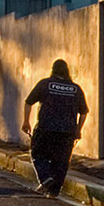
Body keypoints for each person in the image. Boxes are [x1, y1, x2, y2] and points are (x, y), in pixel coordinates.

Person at [22, 58, 88, 197]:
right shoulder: (76, 89)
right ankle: (55, 190)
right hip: (67, 131)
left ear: (53, 70)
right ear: (67, 71)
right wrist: (78, 129)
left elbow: (28, 102)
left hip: (45, 128)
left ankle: (45, 178)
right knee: (62, 160)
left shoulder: (45, 84)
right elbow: (84, 112)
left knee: (38, 154)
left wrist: (26, 122)